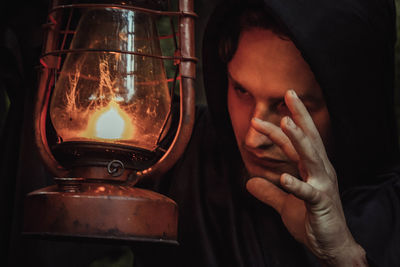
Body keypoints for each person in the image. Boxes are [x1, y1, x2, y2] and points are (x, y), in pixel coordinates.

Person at [134, 0, 400, 266]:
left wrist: (342, 254)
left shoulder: (391, 215)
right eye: (242, 91)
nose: (253, 139)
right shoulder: (175, 150)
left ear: (350, 110)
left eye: (287, 105)